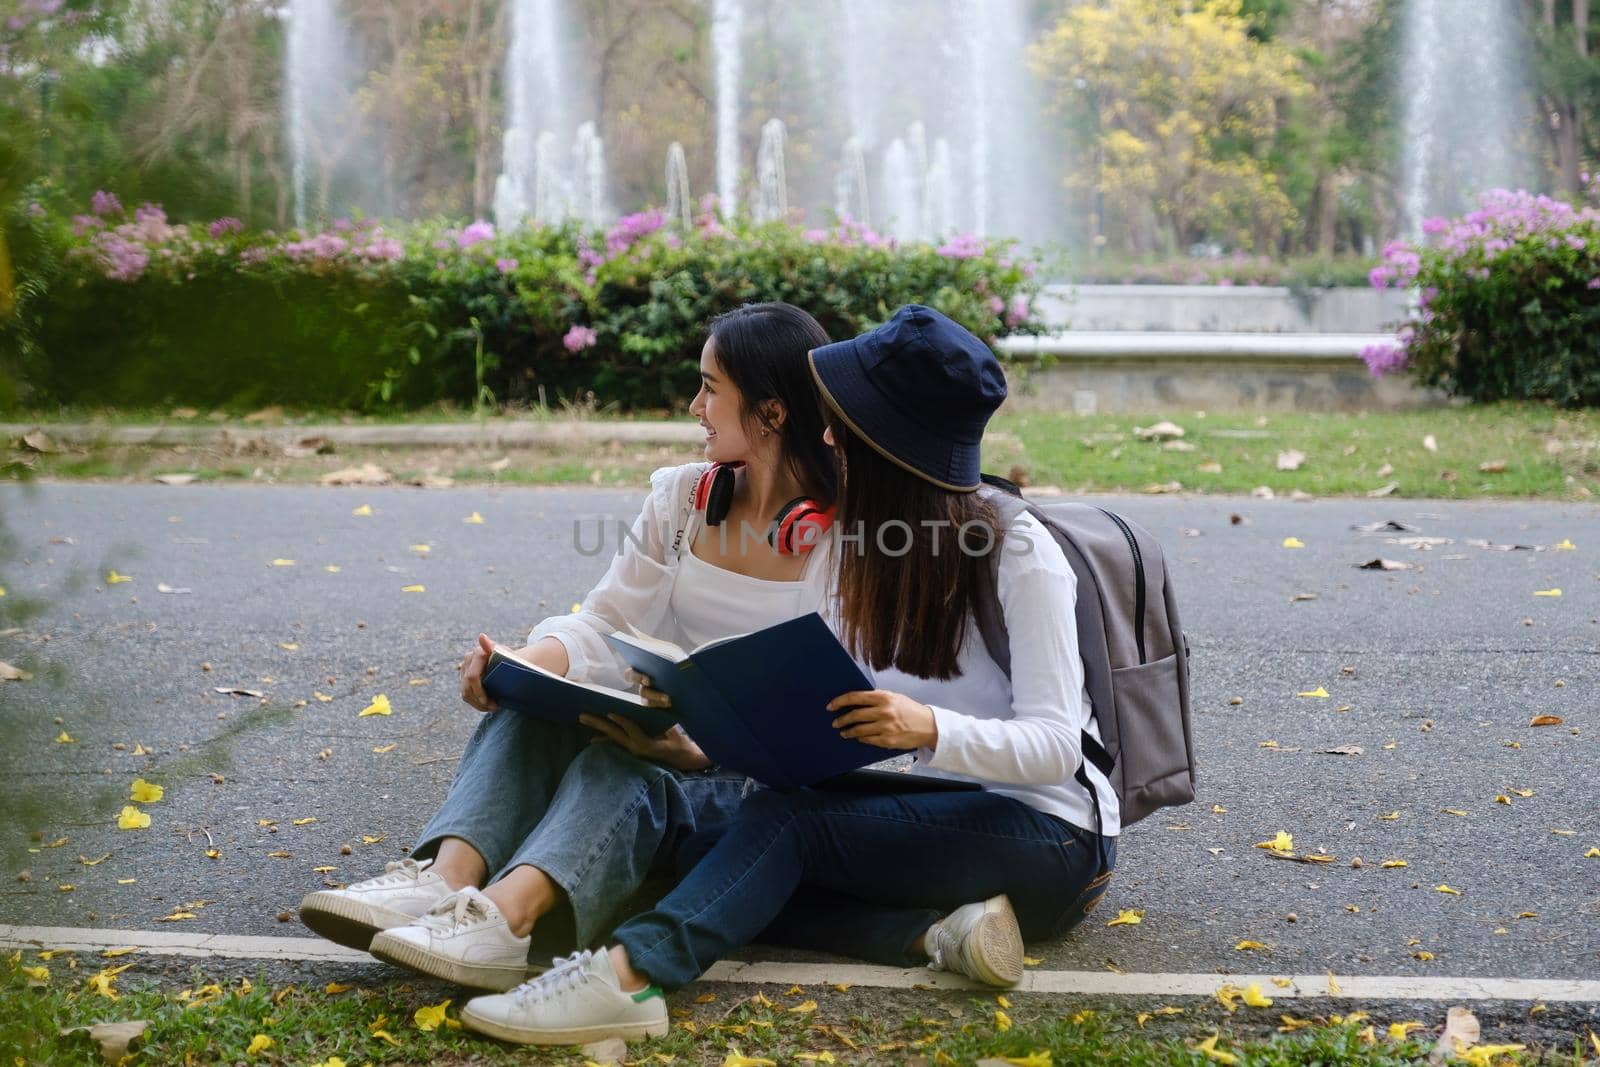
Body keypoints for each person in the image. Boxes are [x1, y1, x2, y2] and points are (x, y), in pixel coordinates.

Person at [451, 304, 1121, 1046]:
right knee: (709, 847)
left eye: (843, 421)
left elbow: (1059, 745)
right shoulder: (858, 542)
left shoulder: (1018, 551)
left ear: (893, 439)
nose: (825, 435)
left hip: (1050, 836)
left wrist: (926, 727)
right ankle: (929, 934)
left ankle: (629, 978)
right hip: (924, 810)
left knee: (782, 828)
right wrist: (700, 750)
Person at [297, 302, 839, 992]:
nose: (694, 405)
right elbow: (605, 622)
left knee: (624, 764)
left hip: (748, 786)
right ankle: (443, 880)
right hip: (662, 736)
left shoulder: (849, 538)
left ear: (772, 413)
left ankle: (503, 923)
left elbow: (831, 723)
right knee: (530, 706)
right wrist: (526, 663)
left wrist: (697, 750)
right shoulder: (681, 498)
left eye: (710, 387)